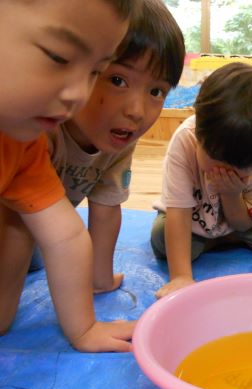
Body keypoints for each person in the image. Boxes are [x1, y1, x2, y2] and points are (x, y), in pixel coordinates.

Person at [0, 0, 138, 352]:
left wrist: (84, 329)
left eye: (95, 71)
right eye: (58, 56)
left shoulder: (22, 143)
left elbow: (66, 237)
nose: (80, 93)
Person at [22, 0, 185, 295]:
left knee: (35, 256)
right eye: (118, 80)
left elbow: (107, 207)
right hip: (13, 220)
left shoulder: (118, 139)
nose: (137, 111)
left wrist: (100, 278)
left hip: (37, 229)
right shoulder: (41, 126)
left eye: (156, 91)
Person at [150, 62, 252, 299]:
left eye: (241, 168)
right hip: (194, 217)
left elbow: (243, 224)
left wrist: (231, 194)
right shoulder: (185, 141)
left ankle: (218, 240)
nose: (225, 171)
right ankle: (222, 240)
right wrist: (181, 278)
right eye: (216, 158)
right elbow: (178, 211)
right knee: (161, 240)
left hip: (242, 221)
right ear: (199, 132)